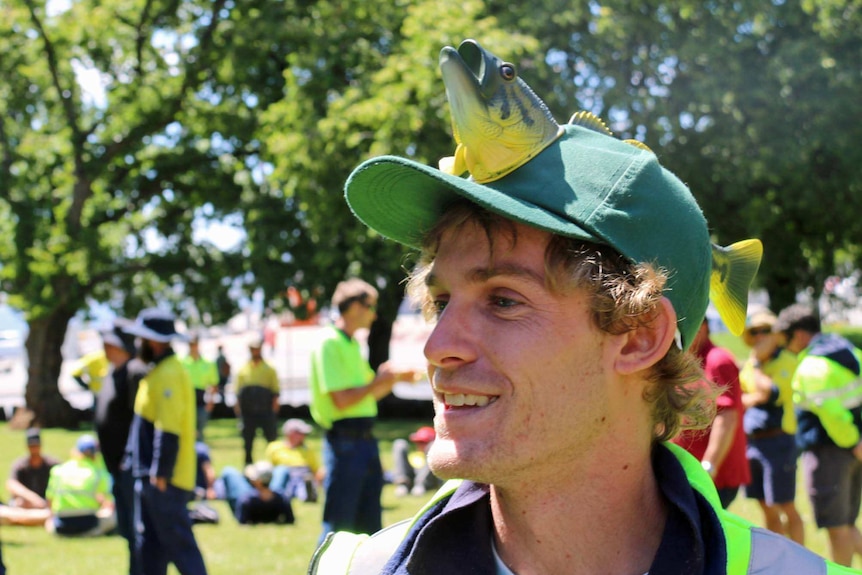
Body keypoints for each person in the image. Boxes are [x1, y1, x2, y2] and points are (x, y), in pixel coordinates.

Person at [308, 39, 850, 574]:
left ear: (639, 335)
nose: (437, 347)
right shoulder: (356, 568)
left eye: (502, 300)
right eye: (442, 300)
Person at [309, 278, 422, 540]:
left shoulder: (350, 343)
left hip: (363, 440)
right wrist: (380, 381)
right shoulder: (329, 342)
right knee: (339, 527)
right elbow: (342, 400)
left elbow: (367, 396)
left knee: (370, 525)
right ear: (356, 307)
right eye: (371, 307)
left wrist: (392, 379)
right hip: (345, 441)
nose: (374, 314)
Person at [776, 304, 862, 567]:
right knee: (846, 523)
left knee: (837, 527)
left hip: (830, 454)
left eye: (786, 339)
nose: (785, 346)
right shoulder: (847, 350)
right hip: (850, 451)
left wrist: (853, 442)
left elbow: (833, 414)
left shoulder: (812, 366)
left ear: (800, 335)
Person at [124, 308, 207, 575]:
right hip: (151, 478)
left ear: (154, 341)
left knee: (181, 549)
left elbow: (168, 430)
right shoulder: (158, 372)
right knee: (150, 550)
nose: (138, 344)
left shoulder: (170, 373)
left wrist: (160, 474)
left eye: (141, 338)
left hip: (163, 481)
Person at [737, 310, 804, 544]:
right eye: (754, 332)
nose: (760, 337)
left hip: (780, 440)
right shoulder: (750, 366)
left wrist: (756, 367)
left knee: (785, 505)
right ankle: (780, 561)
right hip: (753, 442)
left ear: (776, 334)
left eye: (766, 331)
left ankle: (801, 563)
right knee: (765, 506)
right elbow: (740, 400)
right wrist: (753, 393)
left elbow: (767, 393)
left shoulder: (789, 362)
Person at [672, 319, 751, 509]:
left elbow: (727, 416)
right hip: (692, 474)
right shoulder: (686, 361)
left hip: (714, 476)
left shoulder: (717, 360)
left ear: (702, 326)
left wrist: (709, 466)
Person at [94, 319, 149, 574]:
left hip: (131, 466)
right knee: (127, 528)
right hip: (115, 466)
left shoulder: (134, 373)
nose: (105, 347)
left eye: (109, 343)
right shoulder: (112, 372)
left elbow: (141, 420)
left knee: (139, 528)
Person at [45, 435, 116, 537]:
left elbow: (49, 499)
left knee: (49, 522)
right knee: (113, 517)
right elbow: (110, 504)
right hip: (89, 527)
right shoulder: (99, 474)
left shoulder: (58, 471)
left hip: (61, 528)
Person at [234, 336, 280, 465]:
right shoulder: (243, 369)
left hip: (265, 409)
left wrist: (274, 408)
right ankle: (248, 464)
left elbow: (275, 390)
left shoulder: (269, 368)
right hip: (248, 411)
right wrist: (238, 409)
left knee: (271, 439)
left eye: (257, 349)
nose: (255, 351)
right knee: (248, 440)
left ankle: (275, 462)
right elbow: (238, 392)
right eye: (253, 349)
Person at [1, 428, 59, 526]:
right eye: (31, 445)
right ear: (27, 446)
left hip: (46, 502)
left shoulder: (51, 464)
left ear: (40, 445)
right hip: (28, 503)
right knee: (19, 503)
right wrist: (33, 499)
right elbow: (11, 484)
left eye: (36, 445)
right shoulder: (21, 465)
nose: (34, 448)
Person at [215, 461, 294, 525]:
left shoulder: (246, 500)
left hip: (249, 500)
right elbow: (290, 520)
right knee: (282, 469)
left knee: (228, 471)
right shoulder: (282, 498)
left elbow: (242, 521)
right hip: (269, 497)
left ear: (258, 482)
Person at [265, 418, 322, 502]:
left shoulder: (307, 450)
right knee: (281, 472)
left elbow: (316, 470)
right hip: (284, 474)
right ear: (289, 433)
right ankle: (275, 494)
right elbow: (269, 467)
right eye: (300, 433)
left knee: (304, 483)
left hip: (302, 475)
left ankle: (308, 494)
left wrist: (318, 482)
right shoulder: (274, 447)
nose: (303, 436)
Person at [182, 334, 219, 438]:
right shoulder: (182, 362)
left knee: (200, 433)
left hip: (201, 401)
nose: (193, 347)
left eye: (195, 344)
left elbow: (214, 385)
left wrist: (211, 402)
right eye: (191, 345)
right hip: (186, 400)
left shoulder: (208, 363)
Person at [390, 425, 443, 497]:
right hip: (411, 477)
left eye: (423, 442)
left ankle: (420, 485)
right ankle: (402, 484)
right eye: (418, 442)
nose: (419, 445)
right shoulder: (415, 455)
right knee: (399, 443)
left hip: (429, 480)